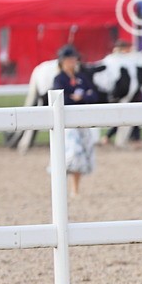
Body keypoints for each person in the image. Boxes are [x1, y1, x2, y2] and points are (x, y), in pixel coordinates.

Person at [52, 45, 99, 198]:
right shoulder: (59, 79)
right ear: (62, 61)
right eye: (69, 59)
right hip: (66, 124)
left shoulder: (81, 77)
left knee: (81, 156)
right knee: (69, 154)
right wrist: (81, 97)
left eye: (73, 58)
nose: (72, 61)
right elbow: (61, 100)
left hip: (82, 121)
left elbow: (94, 96)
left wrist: (82, 97)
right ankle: (61, 189)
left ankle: (75, 189)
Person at [103, 39, 142, 146]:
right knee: (124, 116)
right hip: (127, 94)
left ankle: (135, 138)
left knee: (131, 117)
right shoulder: (119, 60)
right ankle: (110, 136)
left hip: (132, 93)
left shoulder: (127, 60)